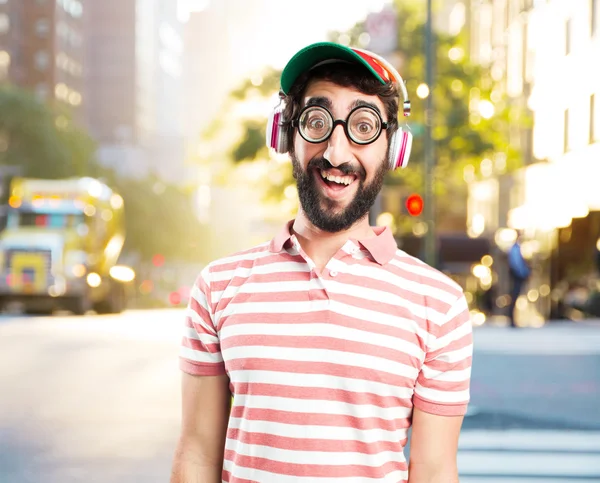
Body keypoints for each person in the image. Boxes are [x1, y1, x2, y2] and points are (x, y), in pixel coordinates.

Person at [171, 42, 473, 483]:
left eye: (364, 126)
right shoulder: (218, 286)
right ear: (284, 135)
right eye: (316, 122)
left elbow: (433, 470)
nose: (336, 152)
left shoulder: (440, 304)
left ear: (394, 148)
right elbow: (197, 454)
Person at [507, 232, 531, 327]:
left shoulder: (517, 248)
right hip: (517, 276)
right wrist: (524, 273)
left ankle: (512, 319)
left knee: (514, 297)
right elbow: (516, 264)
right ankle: (511, 319)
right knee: (514, 296)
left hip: (517, 275)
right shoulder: (515, 249)